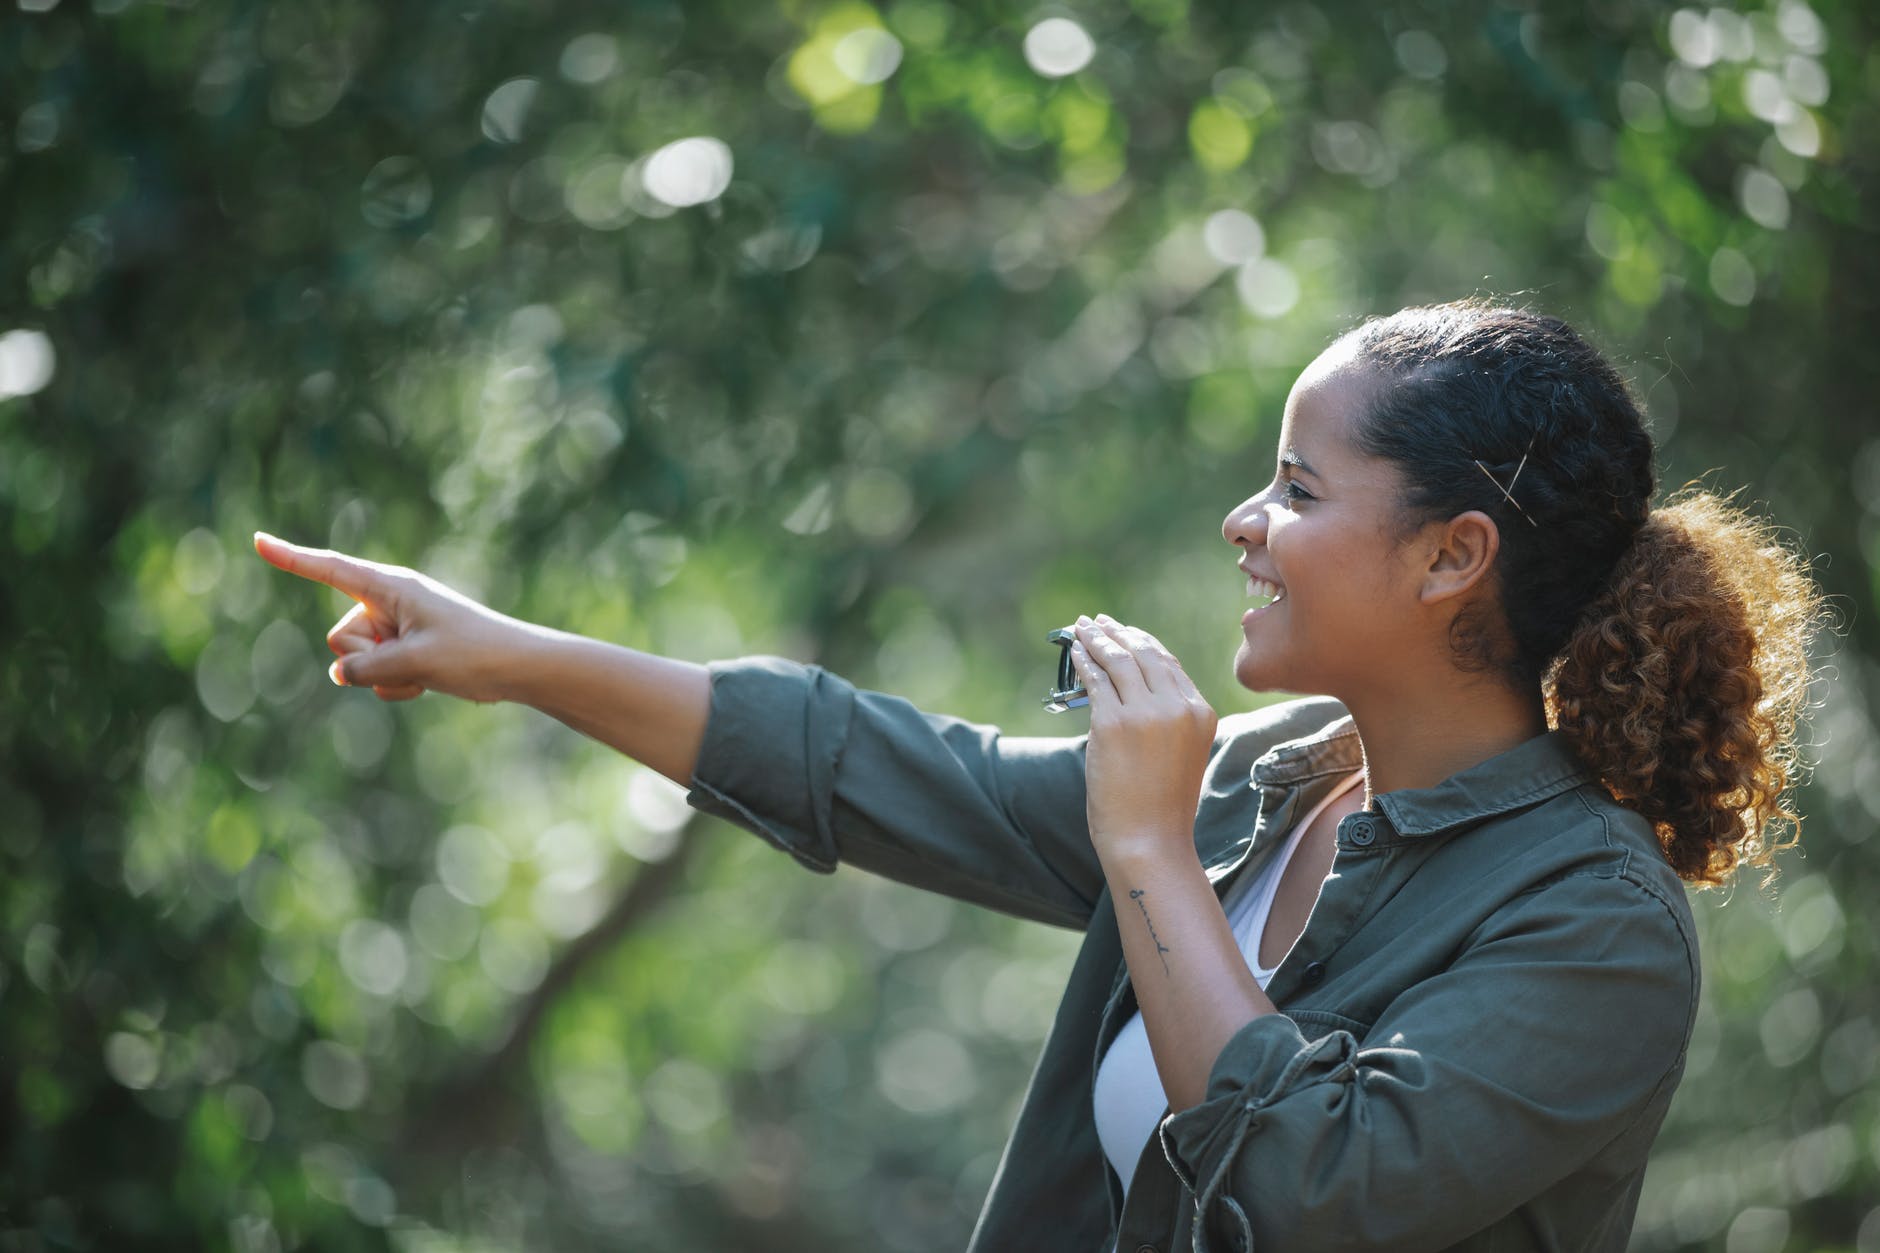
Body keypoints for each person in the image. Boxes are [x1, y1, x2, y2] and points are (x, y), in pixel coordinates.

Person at [255, 299, 1825, 1253]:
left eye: (1295, 486)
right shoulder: (1274, 779)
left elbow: (1313, 1189)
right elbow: (875, 766)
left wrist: (1143, 844)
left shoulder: (1595, 921)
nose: (1245, 521)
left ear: (1451, 555)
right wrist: (507, 651)